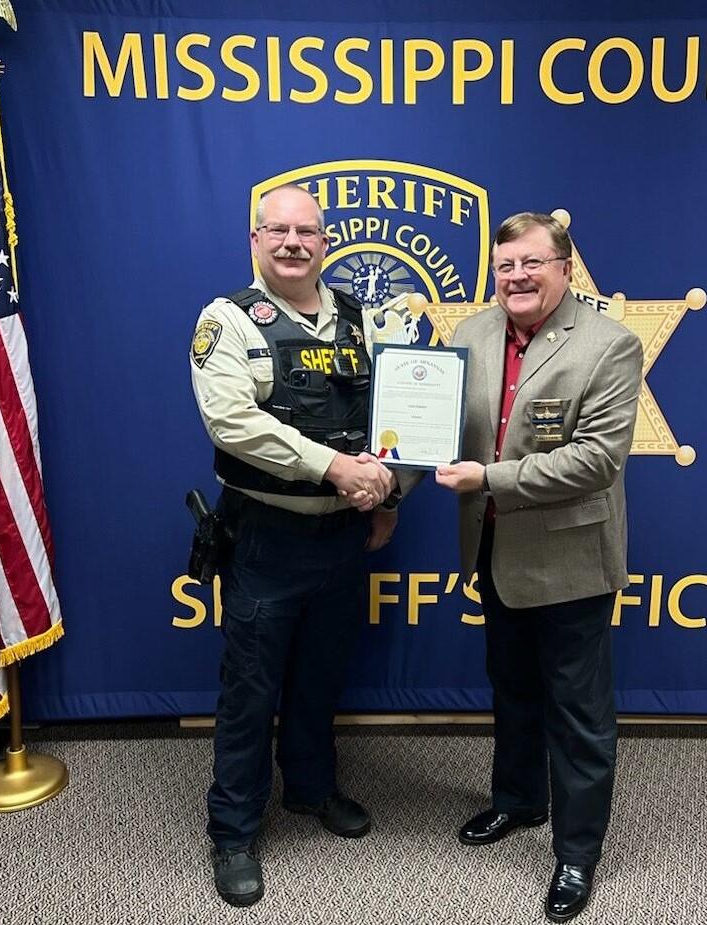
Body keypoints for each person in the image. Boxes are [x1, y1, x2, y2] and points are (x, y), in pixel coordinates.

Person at [189, 184, 399, 907]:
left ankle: (311, 788)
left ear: (325, 241)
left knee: (320, 675)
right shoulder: (228, 322)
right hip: (267, 537)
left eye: (305, 231)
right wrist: (335, 467)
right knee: (251, 690)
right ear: (255, 240)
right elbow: (232, 423)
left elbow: (394, 414)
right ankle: (234, 830)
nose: (291, 243)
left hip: (344, 535)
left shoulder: (357, 317)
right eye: (276, 230)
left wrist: (390, 492)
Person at [434, 212, 642, 923]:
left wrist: (487, 479)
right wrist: (389, 463)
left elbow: (595, 460)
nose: (516, 277)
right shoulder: (472, 333)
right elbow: (440, 427)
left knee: (579, 714)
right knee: (514, 690)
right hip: (494, 552)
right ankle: (519, 801)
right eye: (504, 267)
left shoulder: (610, 344)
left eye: (531, 263)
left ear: (565, 268)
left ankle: (578, 849)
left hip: (570, 560)